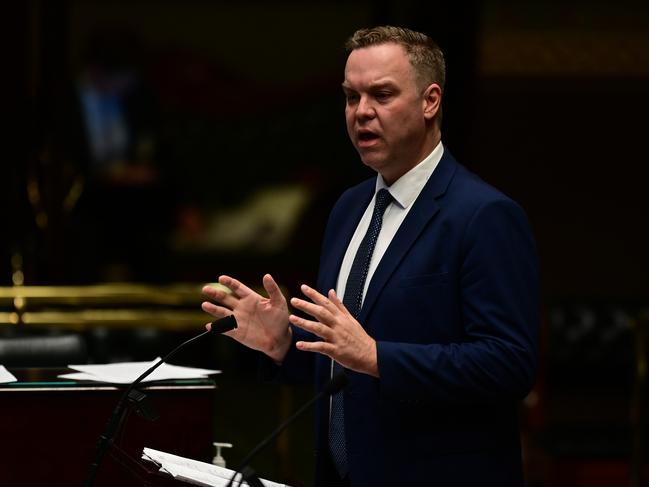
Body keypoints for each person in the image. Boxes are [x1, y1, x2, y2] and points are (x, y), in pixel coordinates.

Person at [201, 26, 539, 487]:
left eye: (381, 95)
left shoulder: (484, 215)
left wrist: (379, 357)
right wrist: (283, 344)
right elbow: (345, 356)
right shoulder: (347, 209)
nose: (361, 113)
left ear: (430, 101)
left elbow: (508, 365)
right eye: (350, 97)